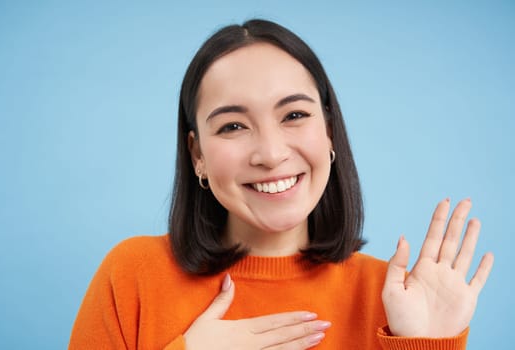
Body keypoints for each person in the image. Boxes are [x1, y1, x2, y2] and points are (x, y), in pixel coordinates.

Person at [69, 19, 494, 349]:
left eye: (294, 115)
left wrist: (424, 346)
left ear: (329, 130)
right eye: (233, 125)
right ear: (197, 154)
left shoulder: (392, 299)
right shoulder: (132, 276)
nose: (270, 154)